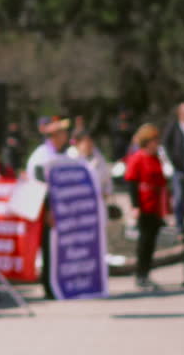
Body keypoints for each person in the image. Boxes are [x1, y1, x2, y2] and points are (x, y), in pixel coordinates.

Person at [26, 117, 70, 299]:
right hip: (46, 211)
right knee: (49, 250)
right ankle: (50, 287)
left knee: (57, 250)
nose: (66, 136)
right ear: (54, 136)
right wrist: (49, 211)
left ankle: (57, 284)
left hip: (57, 209)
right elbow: (40, 186)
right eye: (62, 133)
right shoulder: (42, 156)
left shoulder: (58, 154)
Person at [125, 123, 167, 289]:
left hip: (156, 205)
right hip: (144, 205)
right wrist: (135, 206)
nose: (157, 143)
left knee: (151, 242)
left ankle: (147, 273)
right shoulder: (137, 158)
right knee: (144, 241)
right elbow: (131, 183)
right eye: (154, 140)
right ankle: (140, 274)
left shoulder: (156, 157)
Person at [162, 102, 184, 233]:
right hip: (179, 168)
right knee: (179, 197)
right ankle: (180, 224)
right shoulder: (174, 127)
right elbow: (166, 143)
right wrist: (173, 159)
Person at [67, 131, 113, 203]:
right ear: (78, 143)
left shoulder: (98, 155)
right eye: (87, 141)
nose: (90, 144)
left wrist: (106, 192)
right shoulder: (70, 158)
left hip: (98, 201)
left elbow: (107, 178)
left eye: (91, 141)